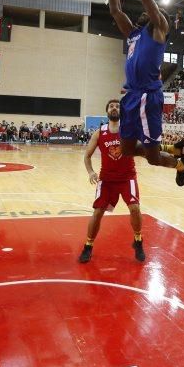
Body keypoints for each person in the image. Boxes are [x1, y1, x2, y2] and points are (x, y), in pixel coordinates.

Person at [107, 0, 184, 185]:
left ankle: (181, 163)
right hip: (132, 96)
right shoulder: (134, 34)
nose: (143, 14)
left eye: (152, 12)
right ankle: (178, 150)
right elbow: (115, 10)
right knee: (126, 150)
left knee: (153, 158)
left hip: (148, 97)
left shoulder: (158, 30)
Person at [78, 99, 145, 263]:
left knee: (135, 208)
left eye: (117, 106)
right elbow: (86, 156)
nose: (114, 108)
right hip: (106, 179)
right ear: (107, 111)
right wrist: (91, 172)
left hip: (127, 176)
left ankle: (138, 240)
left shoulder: (129, 130)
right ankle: (88, 245)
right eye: (111, 106)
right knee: (98, 212)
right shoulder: (99, 133)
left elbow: (141, 149)